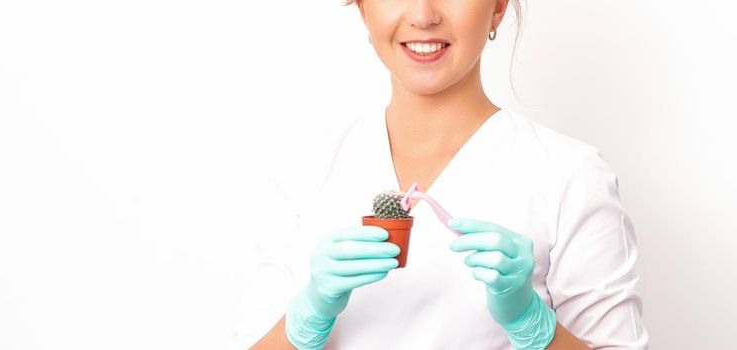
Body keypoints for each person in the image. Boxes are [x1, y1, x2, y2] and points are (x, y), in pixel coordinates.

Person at [235, 0, 648, 348]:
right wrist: (306, 319)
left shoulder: (570, 176)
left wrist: (532, 324)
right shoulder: (305, 172)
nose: (423, 14)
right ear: (362, 8)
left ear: (498, 8)